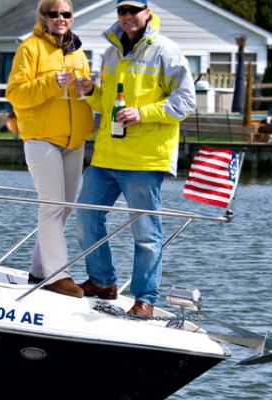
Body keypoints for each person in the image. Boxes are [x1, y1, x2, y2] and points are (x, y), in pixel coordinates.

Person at [74, 0, 196, 317]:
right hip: (106, 155)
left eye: (134, 10)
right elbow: (105, 103)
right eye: (122, 11)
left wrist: (143, 113)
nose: (127, 16)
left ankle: (146, 299)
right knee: (86, 218)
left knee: (145, 233)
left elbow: (185, 102)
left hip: (144, 160)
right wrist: (89, 90)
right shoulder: (111, 51)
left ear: (148, 13)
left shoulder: (166, 50)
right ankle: (102, 282)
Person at [6, 0, 94, 298]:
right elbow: (15, 94)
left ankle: (39, 271)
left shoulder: (78, 51)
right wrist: (50, 82)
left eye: (66, 14)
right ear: (43, 16)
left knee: (65, 208)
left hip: (74, 141)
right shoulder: (29, 49)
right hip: (42, 139)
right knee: (52, 206)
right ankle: (58, 275)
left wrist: (89, 88)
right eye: (54, 13)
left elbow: (88, 92)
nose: (60, 18)